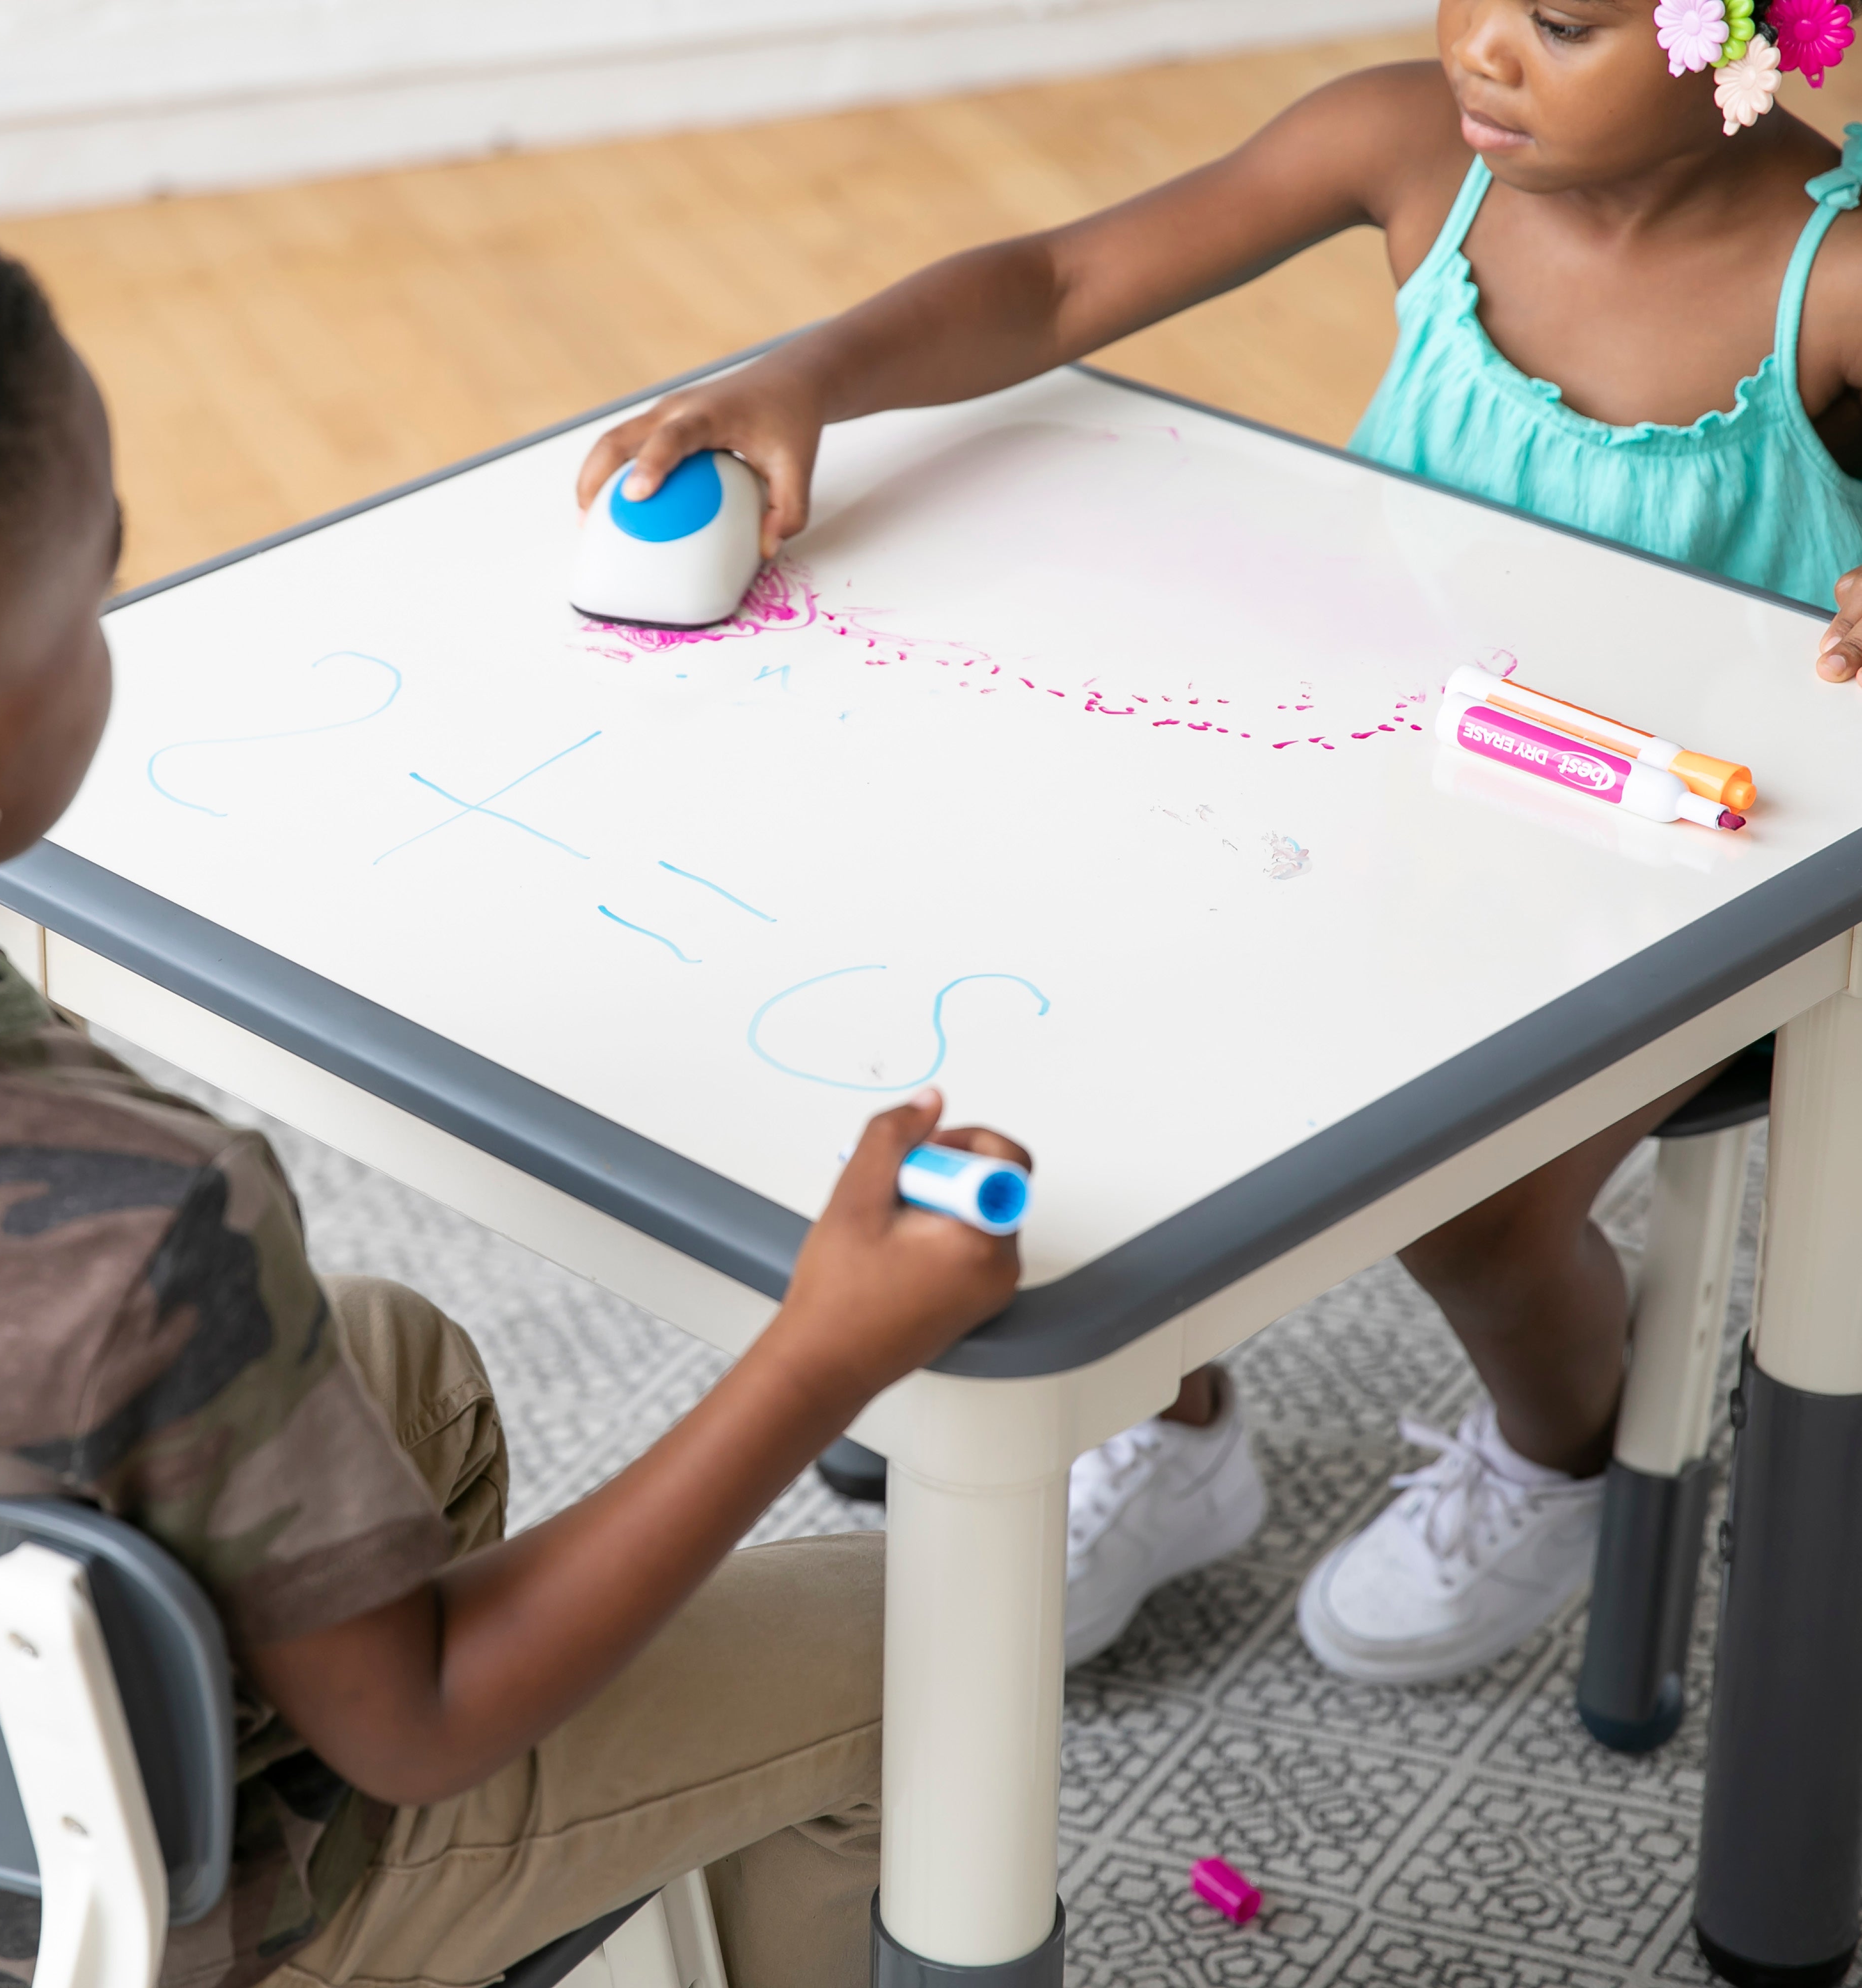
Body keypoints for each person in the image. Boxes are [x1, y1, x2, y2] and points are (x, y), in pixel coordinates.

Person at [577, 0, 1862, 1686]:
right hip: (1379, 794)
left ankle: (1558, 1452)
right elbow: (1055, 284)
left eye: (1559, 21)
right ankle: (1166, 1423)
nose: (1482, 48)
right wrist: (803, 375)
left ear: (1760, 36)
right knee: (1064, 993)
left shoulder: (1827, 281)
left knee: (1469, 1213)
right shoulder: (1407, 148)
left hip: (1684, 891)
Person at [0, 212, 1030, 1988]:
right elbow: (415, 1725)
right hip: (117, 1932)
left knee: (400, 1362)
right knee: (934, 1649)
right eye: (92, 596)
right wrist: (823, 1353)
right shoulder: (144, 1221)